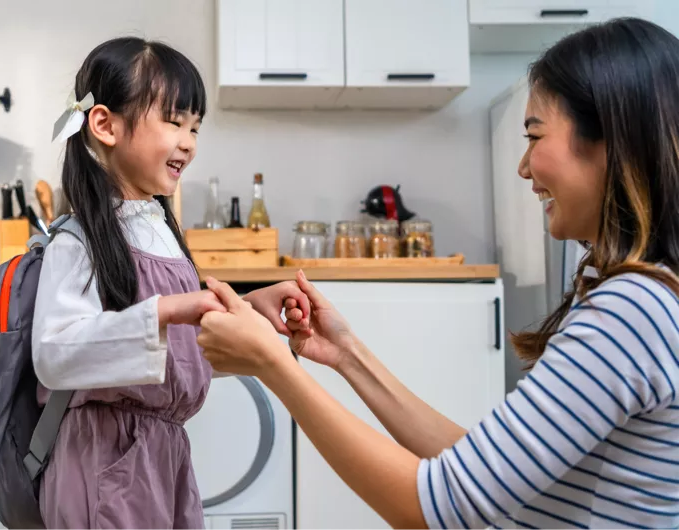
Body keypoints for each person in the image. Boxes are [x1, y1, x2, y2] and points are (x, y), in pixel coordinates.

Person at [196, 17, 679, 529]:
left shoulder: (633, 310)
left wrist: (275, 366)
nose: (523, 167)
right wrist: (347, 356)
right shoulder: (644, 296)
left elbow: (437, 508)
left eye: (534, 135)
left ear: (612, 140)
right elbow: (481, 471)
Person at [31, 37, 308, 529]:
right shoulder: (80, 239)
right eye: (174, 121)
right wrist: (164, 311)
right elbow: (54, 356)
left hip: (162, 457)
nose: (189, 141)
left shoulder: (157, 227)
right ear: (104, 124)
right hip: (103, 461)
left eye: (195, 127)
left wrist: (249, 317)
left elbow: (171, 357)